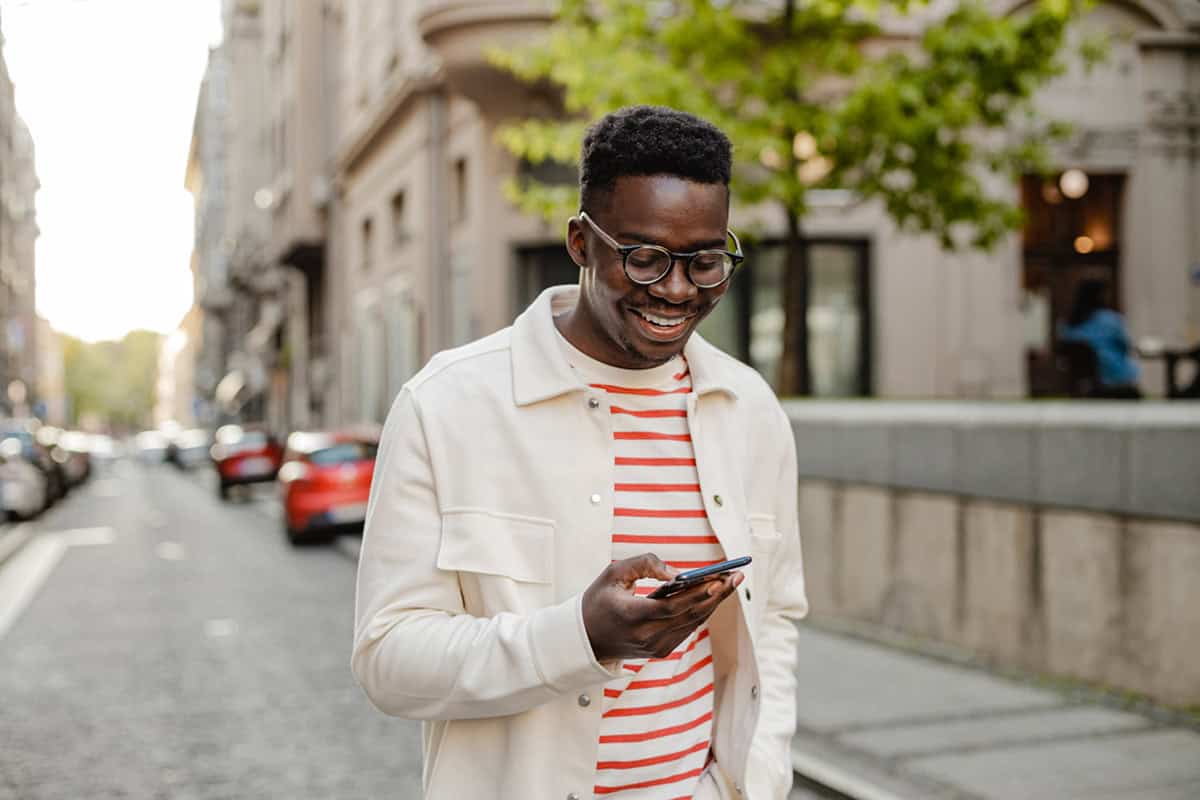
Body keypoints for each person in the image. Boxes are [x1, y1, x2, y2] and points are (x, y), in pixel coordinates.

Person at [352, 105, 808, 799]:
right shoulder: (445, 405)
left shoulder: (750, 411)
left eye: (706, 261)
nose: (678, 290)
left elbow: (773, 619)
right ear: (579, 242)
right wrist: (580, 638)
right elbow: (388, 660)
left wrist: (752, 783)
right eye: (644, 257)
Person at [1059, 279, 1141, 398]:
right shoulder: (1111, 320)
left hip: (1082, 384)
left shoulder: (1069, 323)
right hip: (1114, 379)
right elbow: (1125, 347)